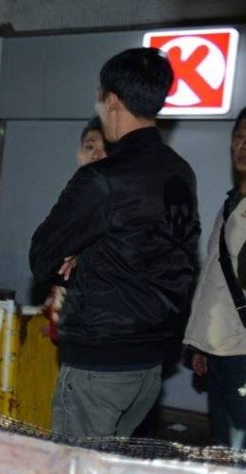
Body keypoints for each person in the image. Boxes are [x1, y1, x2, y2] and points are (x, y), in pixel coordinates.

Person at [30, 48, 199, 439]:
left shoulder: (102, 178)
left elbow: (42, 256)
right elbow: (165, 252)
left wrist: (77, 255)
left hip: (97, 365)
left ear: (111, 100)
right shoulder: (180, 173)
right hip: (150, 366)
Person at [184, 108, 246, 447]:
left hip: (243, 353)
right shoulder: (230, 204)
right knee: (223, 444)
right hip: (220, 348)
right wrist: (201, 343)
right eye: (238, 137)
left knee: (240, 445)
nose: (243, 146)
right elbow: (215, 281)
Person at [44, 117, 107, 343]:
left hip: (102, 330)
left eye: (105, 148)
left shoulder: (120, 205)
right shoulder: (71, 202)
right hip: (69, 323)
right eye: (89, 147)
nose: (96, 154)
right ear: (79, 153)